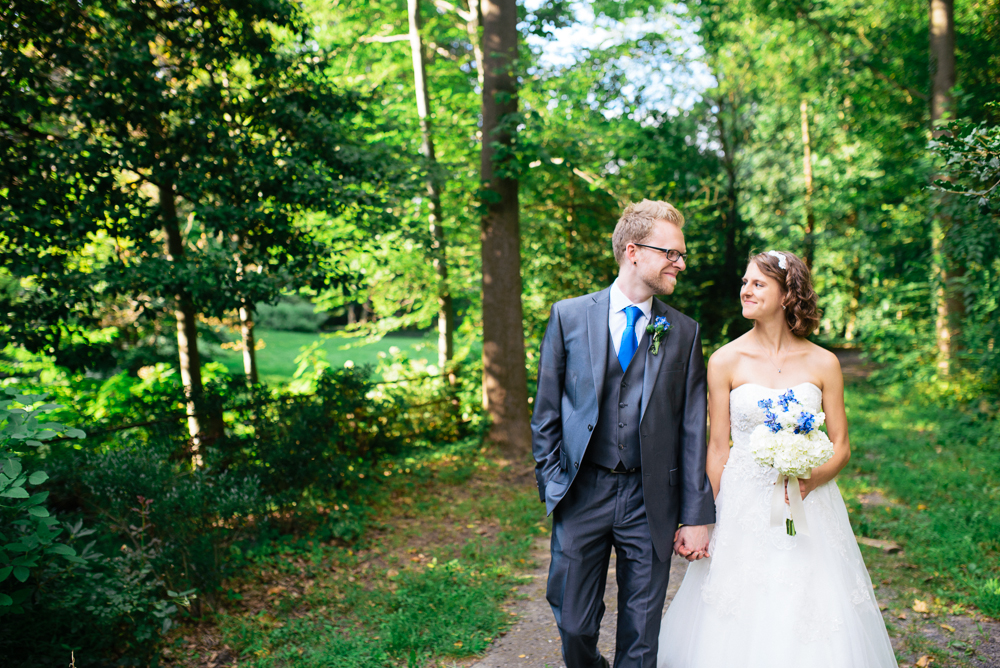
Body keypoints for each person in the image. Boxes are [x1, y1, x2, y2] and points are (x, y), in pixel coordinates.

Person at [656, 250, 898, 668]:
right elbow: (717, 448)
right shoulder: (724, 360)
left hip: (809, 504)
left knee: (808, 598)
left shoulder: (824, 362)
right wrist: (704, 517)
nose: (745, 290)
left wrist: (809, 479)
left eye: (757, 284)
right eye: (745, 281)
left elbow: (841, 446)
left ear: (787, 295)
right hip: (743, 503)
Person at [532, 199, 716, 668]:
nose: (680, 263)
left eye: (682, 254)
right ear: (632, 251)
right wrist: (551, 479)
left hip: (650, 495)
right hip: (582, 489)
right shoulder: (569, 316)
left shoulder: (684, 331)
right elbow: (547, 409)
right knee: (574, 624)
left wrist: (696, 513)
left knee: (641, 633)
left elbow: (694, 427)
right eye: (670, 253)